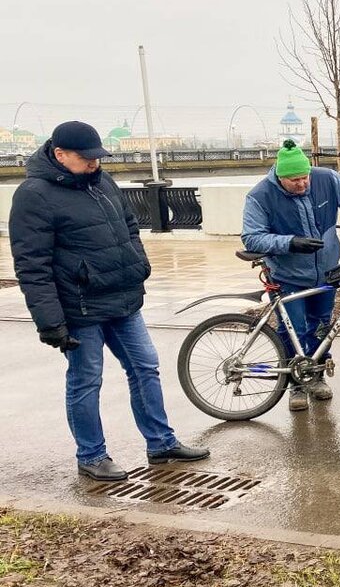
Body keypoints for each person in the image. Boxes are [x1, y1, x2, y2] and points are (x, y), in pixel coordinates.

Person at [9, 121, 209, 480]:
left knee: (145, 367)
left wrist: (138, 262)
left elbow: (130, 226)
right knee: (87, 379)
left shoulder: (103, 181)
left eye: (98, 157)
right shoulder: (33, 195)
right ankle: (91, 456)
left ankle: (161, 443)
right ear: (59, 154)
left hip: (123, 299)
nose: (94, 164)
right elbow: (31, 266)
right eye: (86, 158)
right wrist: (50, 322)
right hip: (81, 307)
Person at [242, 138, 340, 411]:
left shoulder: (326, 179)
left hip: (326, 271)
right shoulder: (260, 196)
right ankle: (294, 384)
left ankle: (315, 376)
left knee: (321, 326)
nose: (302, 184)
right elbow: (251, 237)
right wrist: (290, 242)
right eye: (294, 180)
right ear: (280, 177)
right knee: (293, 329)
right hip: (287, 274)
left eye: (304, 177)